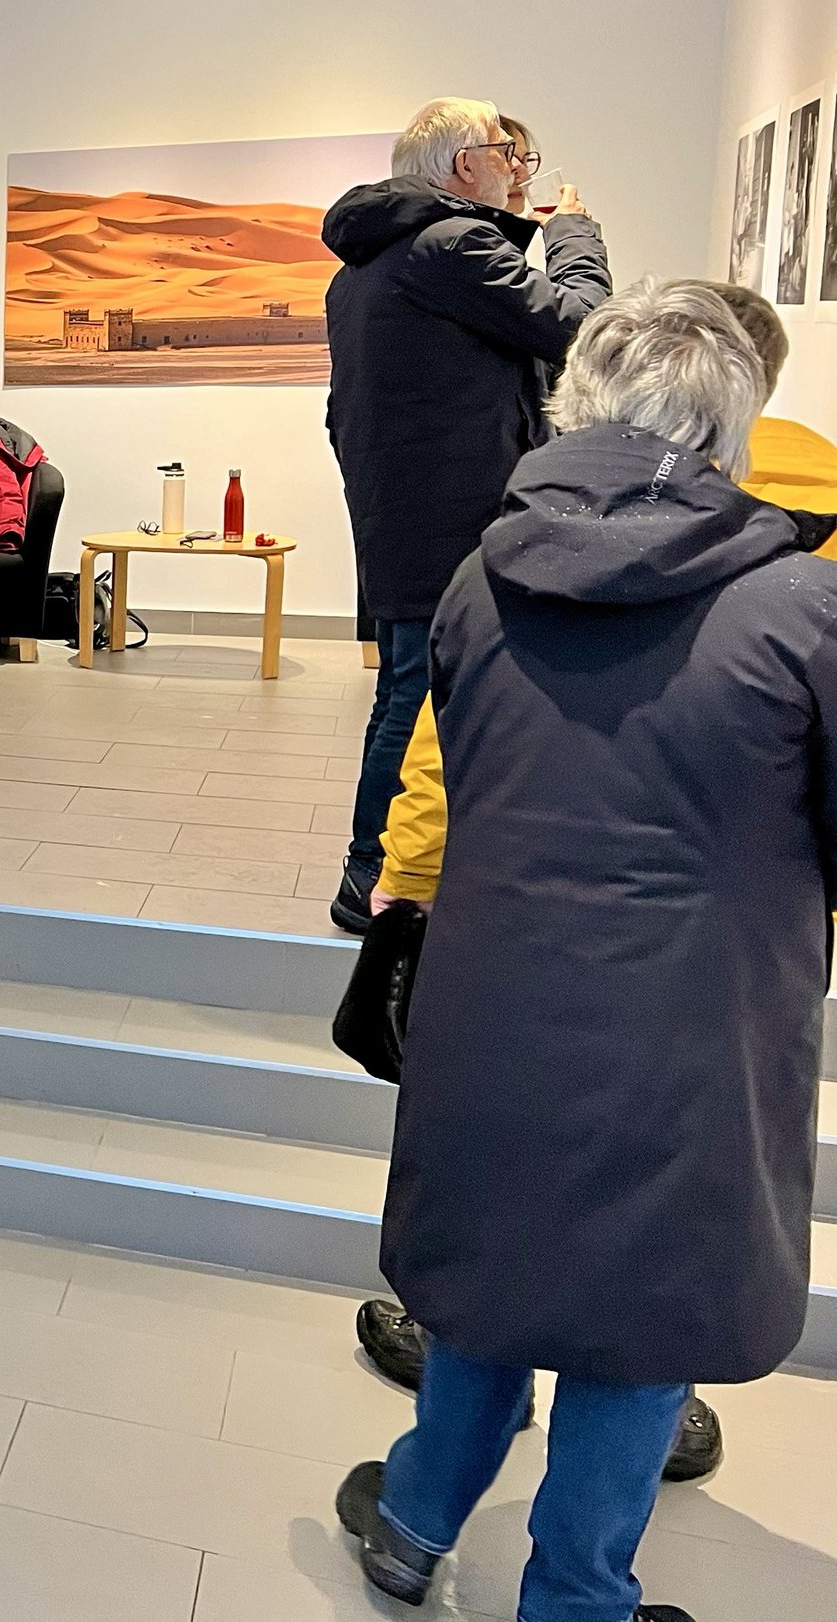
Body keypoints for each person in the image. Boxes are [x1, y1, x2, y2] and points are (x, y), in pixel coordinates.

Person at [331, 280, 830, 1622]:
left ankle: (413, 1525)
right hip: (693, 1026)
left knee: (490, 1274)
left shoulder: (479, 581)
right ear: (729, 426)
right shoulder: (799, 608)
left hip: (492, 999)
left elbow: (462, 770)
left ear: (577, 409)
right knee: (638, 1316)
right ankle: (574, 1597)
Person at [319, 98, 610, 934]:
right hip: (451, 523)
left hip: (413, 516)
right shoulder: (451, 247)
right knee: (419, 696)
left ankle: (393, 866)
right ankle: (371, 874)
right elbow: (586, 329)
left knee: (414, 691)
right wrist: (574, 238)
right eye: (505, 153)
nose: (518, 170)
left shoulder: (374, 260)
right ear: (462, 165)